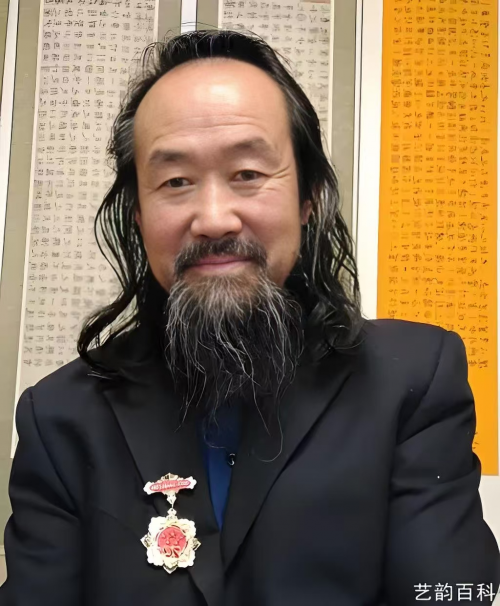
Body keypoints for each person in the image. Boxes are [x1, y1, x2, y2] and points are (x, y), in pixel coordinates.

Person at [1, 29, 499, 606]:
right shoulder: (59, 417)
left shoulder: (412, 381)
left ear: (309, 196)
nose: (214, 219)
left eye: (248, 174)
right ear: (137, 214)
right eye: (176, 181)